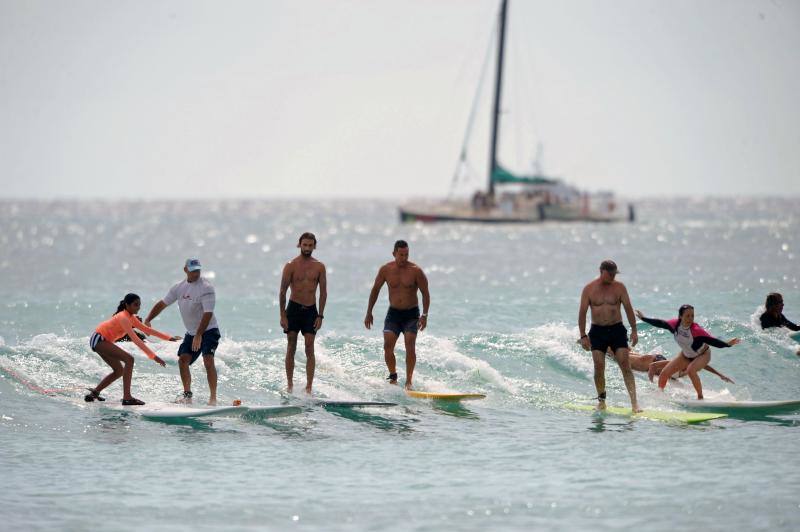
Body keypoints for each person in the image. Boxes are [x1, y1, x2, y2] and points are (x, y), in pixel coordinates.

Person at [144, 258, 221, 405]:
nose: (196, 273)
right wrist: (148, 319)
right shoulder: (179, 288)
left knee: (208, 360)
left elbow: (208, 313)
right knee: (183, 360)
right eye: (193, 271)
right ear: (185, 270)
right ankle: (187, 396)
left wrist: (199, 335)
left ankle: (213, 398)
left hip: (209, 330)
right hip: (192, 332)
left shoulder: (206, 288)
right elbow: (162, 304)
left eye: (198, 270)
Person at [85, 293, 179, 405]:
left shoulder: (130, 317)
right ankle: (127, 397)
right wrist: (154, 357)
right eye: (135, 305)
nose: (138, 307)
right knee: (129, 359)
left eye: (139, 305)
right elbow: (136, 340)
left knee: (119, 371)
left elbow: (147, 330)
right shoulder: (123, 317)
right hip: (99, 339)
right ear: (127, 305)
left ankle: (95, 393)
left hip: (101, 341)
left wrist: (169, 338)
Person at [636, 306, 740, 400]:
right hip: (686, 355)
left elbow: (712, 341)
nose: (690, 318)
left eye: (692, 316)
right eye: (688, 316)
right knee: (664, 373)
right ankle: (660, 395)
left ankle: (700, 397)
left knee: (691, 370)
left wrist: (727, 344)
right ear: (680, 316)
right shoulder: (675, 325)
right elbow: (660, 323)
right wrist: (644, 318)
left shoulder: (696, 330)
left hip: (703, 354)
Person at [364, 240, 430, 390]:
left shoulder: (416, 271)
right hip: (393, 313)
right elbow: (375, 290)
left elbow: (425, 294)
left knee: (410, 345)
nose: (404, 258)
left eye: (406, 255)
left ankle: (409, 381)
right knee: (387, 346)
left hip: (411, 314)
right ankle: (393, 375)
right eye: (401, 255)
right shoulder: (385, 270)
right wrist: (369, 312)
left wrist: (424, 315)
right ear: (394, 253)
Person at [578, 260, 640, 412]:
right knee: (599, 367)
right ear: (602, 271)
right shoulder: (589, 289)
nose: (613, 276)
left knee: (625, 365)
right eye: (610, 274)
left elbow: (628, 309)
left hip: (617, 330)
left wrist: (634, 330)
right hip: (597, 332)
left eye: (614, 274)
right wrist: (583, 336)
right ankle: (601, 401)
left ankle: (634, 404)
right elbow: (582, 313)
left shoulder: (619, 288)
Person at [279, 232, 327, 394]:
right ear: (299, 245)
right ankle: (290, 384)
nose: (307, 248)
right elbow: (282, 291)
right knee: (291, 345)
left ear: (314, 246)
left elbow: (324, 292)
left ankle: (309, 387)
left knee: (309, 347)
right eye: (304, 245)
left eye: (310, 245)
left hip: (310, 311)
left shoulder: (319, 266)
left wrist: (320, 315)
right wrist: (282, 315)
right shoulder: (291, 265)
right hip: (293, 309)